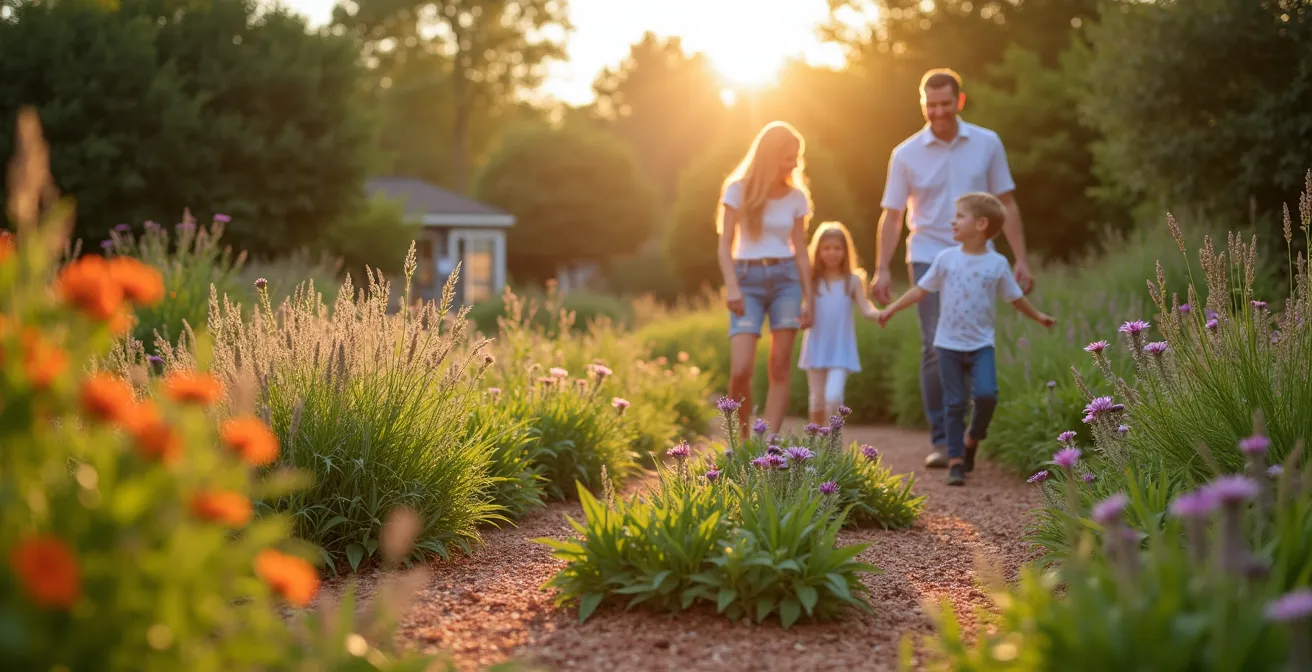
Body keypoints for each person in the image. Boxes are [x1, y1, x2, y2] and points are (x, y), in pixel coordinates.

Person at [869, 67, 1036, 469]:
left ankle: (969, 432)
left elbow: (1007, 204)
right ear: (922, 104)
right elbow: (892, 216)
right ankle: (944, 440)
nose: (939, 112)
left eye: (946, 104)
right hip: (928, 252)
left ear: (959, 101)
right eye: (931, 105)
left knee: (973, 340)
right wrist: (882, 268)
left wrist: (1021, 259)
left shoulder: (986, 143)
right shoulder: (905, 153)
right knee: (934, 345)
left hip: (979, 258)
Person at [876, 193, 1055, 486]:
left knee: (987, 395)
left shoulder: (997, 264)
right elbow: (920, 291)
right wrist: (891, 309)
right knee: (955, 402)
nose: (953, 221)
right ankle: (957, 461)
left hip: (981, 345)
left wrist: (1038, 317)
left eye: (960, 216)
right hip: (947, 345)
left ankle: (972, 439)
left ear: (981, 224)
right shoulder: (946, 259)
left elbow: (1015, 298)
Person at [717, 121, 814, 435]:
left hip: (787, 279)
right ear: (770, 155)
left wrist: (809, 299)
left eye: (797, 156)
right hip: (747, 279)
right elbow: (724, 243)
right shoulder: (737, 190)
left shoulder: (797, 197)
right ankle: (742, 440)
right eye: (789, 156)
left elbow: (800, 250)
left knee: (780, 365)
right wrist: (732, 286)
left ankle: (768, 444)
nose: (795, 163)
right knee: (741, 370)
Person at [799, 221, 879, 425]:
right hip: (816, 346)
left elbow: (865, 306)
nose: (832, 253)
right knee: (816, 400)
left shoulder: (852, 280)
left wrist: (879, 314)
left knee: (833, 397)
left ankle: (834, 446)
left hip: (841, 349)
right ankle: (814, 448)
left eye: (837, 248)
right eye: (826, 248)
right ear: (818, 251)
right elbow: (802, 308)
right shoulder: (811, 279)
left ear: (845, 250)